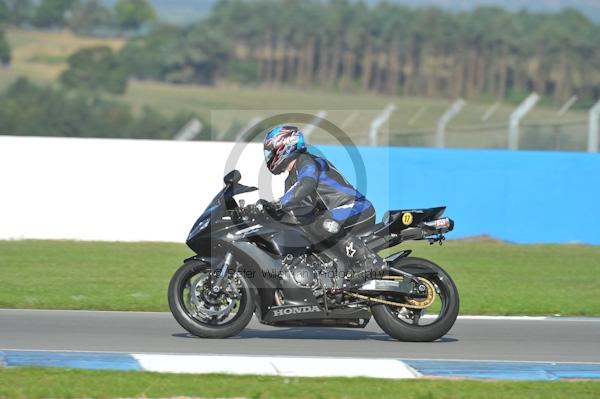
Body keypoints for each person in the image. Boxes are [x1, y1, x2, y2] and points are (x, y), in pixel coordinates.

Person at [263, 125, 385, 288]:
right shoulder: (290, 180)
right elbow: (296, 212)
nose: (269, 156)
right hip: (336, 218)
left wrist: (279, 203)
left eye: (271, 151)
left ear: (286, 145)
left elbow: (307, 183)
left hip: (356, 207)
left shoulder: (307, 161)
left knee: (322, 222)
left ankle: (369, 261)